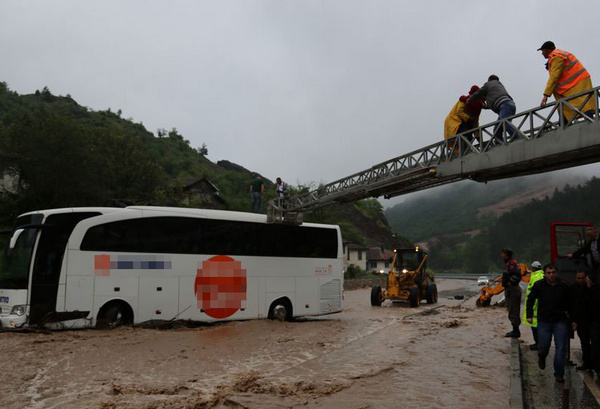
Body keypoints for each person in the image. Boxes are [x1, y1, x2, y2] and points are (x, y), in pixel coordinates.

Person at [526, 264, 571, 383]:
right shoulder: (539, 285)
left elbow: (571, 303)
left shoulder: (564, 286)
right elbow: (530, 300)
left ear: (557, 273)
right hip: (544, 321)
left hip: (560, 320)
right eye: (549, 273)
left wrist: (572, 319)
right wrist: (529, 315)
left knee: (561, 347)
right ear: (545, 274)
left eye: (553, 272)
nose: (551, 275)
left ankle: (559, 373)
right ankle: (542, 356)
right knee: (543, 346)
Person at [538, 41, 595, 123]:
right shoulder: (558, 55)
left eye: (542, 51)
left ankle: (590, 123)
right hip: (573, 85)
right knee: (566, 108)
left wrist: (545, 96)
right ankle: (564, 125)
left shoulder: (556, 56)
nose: (542, 54)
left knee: (582, 104)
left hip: (576, 83)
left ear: (546, 50)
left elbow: (554, 77)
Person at [468, 75, 518, 142]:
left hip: (505, 105)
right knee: (497, 129)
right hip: (509, 105)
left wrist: (469, 99)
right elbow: (494, 101)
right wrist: (485, 106)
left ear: (489, 80)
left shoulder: (488, 84)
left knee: (505, 123)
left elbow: (478, 93)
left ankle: (518, 139)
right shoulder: (499, 86)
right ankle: (500, 144)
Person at [570, 270, 599, 371]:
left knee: (595, 341)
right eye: (579, 278)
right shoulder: (574, 288)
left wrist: (590, 286)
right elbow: (572, 305)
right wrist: (573, 320)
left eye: (582, 278)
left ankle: (595, 363)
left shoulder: (593, 288)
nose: (580, 280)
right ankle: (587, 362)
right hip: (581, 320)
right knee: (584, 342)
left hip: (593, 319)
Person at [522, 261, 544, 350]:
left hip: (535, 306)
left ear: (534, 268)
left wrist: (532, 308)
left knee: (535, 327)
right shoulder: (538, 275)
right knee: (537, 327)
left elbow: (536, 293)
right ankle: (538, 343)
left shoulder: (536, 277)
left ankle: (538, 344)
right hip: (535, 305)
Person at [501, 248, 522, 338]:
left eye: (502, 253)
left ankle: (516, 331)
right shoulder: (508, 263)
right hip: (510, 289)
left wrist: (510, 282)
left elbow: (517, 275)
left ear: (506, 254)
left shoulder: (511, 263)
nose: (501, 255)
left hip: (513, 289)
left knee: (513, 310)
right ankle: (515, 329)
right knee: (511, 309)